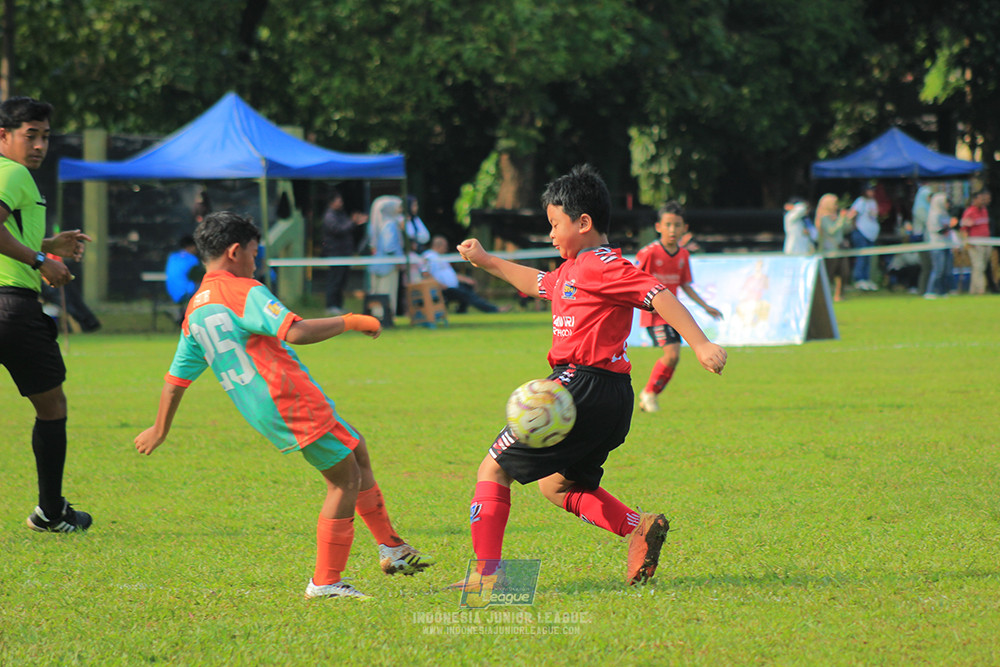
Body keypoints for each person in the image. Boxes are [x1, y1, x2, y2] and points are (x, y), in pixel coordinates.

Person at [451, 165, 726, 589]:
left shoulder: (600, 265)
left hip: (578, 386)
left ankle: (489, 578)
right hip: (612, 397)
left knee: (492, 469)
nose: (551, 235)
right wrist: (485, 260)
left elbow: (656, 294)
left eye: (555, 225)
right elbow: (537, 283)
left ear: (584, 222)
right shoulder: (572, 270)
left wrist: (700, 343)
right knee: (557, 486)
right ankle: (638, 528)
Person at [133, 211, 434, 600]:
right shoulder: (243, 289)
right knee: (344, 481)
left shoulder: (195, 309)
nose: (257, 261)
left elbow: (176, 380)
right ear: (235, 251)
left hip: (269, 406)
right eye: (255, 253)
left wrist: (160, 429)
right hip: (288, 400)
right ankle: (326, 582)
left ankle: (392, 548)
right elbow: (296, 330)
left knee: (355, 447)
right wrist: (352, 320)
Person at [0, 96, 94, 532]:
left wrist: (48, 245)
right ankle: (51, 513)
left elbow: (9, 232)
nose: (38, 145)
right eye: (29, 135)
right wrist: (42, 262)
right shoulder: (13, 172)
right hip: (11, 309)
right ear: (4, 136)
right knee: (52, 406)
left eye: (45, 136)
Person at [635, 202, 723, 413]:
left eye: (677, 225)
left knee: (674, 358)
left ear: (685, 228)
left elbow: (685, 284)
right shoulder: (649, 253)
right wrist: (646, 304)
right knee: (672, 354)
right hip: (654, 314)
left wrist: (705, 306)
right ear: (658, 227)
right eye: (668, 225)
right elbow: (635, 280)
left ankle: (649, 395)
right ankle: (648, 394)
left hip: (673, 314)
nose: (672, 230)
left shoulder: (683, 255)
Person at [422, 235, 507, 313]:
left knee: (468, 287)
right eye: (445, 246)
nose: (446, 248)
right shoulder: (428, 256)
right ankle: (493, 309)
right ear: (439, 246)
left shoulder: (441, 257)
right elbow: (425, 275)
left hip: (453, 286)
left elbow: (452, 274)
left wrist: (467, 280)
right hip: (443, 289)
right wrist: (439, 285)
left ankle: (461, 310)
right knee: (468, 295)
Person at [320, 190, 366, 315]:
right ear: (332, 202)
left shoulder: (340, 214)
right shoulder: (330, 216)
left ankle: (338, 306)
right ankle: (331, 306)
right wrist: (353, 222)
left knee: (341, 281)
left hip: (344, 253)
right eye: (338, 200)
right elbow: (339, 230)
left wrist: (354, 222)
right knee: (334, 280)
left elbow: (346, 227)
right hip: (335, 254)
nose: (341, 202)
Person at [367, 195, 405, 314]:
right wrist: (398, 259)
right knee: (388, 291)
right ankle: (386, 316)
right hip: (389, 265)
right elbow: (389, 246)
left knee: (377, 291)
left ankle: (377, 315)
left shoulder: (375, 224)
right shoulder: (390, 224)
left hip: (377, 264)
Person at [815, 193, 854, 302]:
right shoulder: (823, 218)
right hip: (829, 251)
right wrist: (841, 218)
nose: (836, 206)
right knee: (829, 275)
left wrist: (848, 219)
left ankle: (839, 295)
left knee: (844, 273)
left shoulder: (836, 216)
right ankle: (824, 296)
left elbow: (846, 229)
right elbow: (832, 230)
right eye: (834, 203)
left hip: (840, 250)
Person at [924, 192, 957, 299]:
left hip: (946, 244)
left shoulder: (945, 214)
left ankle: (942, 291)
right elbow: (937, 230)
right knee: (938, 269)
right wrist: (951, 226)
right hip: (937, 245)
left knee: (947, 270)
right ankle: (931, 290)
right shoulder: (934, 215)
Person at [959, 189, 992, 295]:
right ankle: (981, 289)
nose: (982, 201)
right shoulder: (970, 212)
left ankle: (973, 290)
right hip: (975, 243)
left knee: (981, 267)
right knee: (978, 266)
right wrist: (966, 242)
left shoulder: (984, 210)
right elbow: (964, 229)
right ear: (974, 200)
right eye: (980, 199)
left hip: (986, 243)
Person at [164, 235, 202, 323]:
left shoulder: (172, 257)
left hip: (171, 291)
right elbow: (197, 277)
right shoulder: (192, 259)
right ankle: (186, 313)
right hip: (187, 291)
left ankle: (180, 312)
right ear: (190, 246)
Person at [850, 183, 880, 291]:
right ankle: (859, 279)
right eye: (869, 190)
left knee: (868, 258)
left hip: (870, 235)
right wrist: (855, 229)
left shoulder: (873, 202)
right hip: (861, 232)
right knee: (861, 257)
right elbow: (852, 215)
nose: (871, 192)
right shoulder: (860, 201)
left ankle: (867, 279)